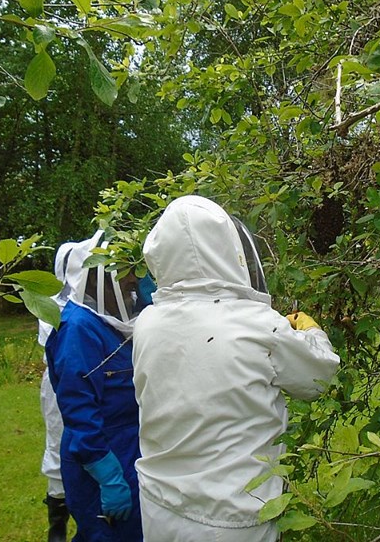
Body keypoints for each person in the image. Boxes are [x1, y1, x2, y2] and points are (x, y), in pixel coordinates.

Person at [133, 195, 340, 542]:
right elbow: (319, 378)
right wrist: (311, 331)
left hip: (158, 506)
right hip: (232, 517)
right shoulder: (258, 325)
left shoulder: (147, 323)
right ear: (228, 249)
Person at [45, 230, 145, 542]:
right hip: (103, 457)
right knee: (104, 534)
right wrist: (108, 475)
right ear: (95, 279)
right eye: (124, 271)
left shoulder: (112, 319)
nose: (132, 281)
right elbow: (78, 408)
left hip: (131, 447)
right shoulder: (78, 329)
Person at [38, 241, 77, 542]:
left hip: (81, 380)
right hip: (57, 383)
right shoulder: (50, 303)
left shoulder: (92, 300)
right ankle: (57, 522)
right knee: (57, 444)